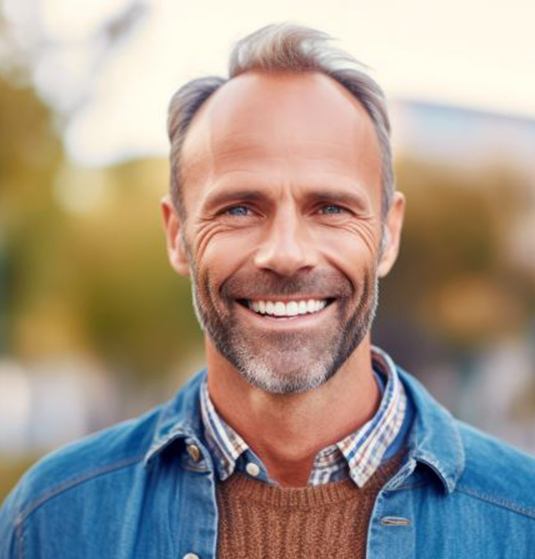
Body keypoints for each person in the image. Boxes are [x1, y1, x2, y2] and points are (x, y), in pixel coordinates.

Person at [1, 23, 534, 559]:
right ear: (178, 235)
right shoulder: (51, 521)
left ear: (387, 235)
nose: (284, 253)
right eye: (238, 209)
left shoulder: (522, 520)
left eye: (330, 208)